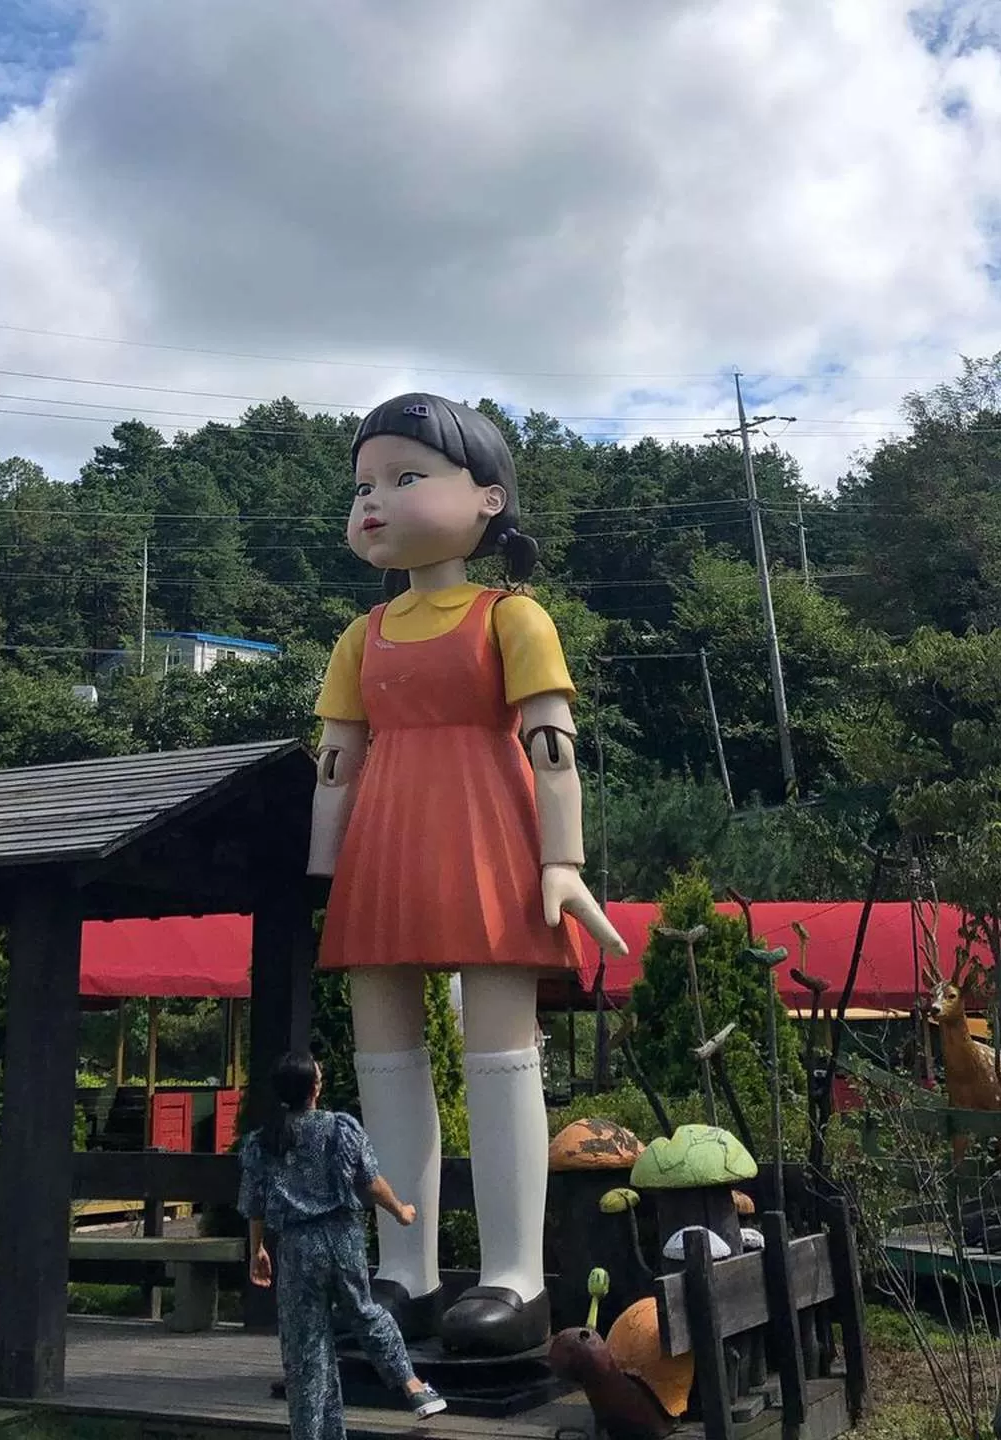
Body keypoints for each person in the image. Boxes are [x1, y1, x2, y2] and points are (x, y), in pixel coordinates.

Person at [308, 393, 627, 1356]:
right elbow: (336, 765)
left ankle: (514, 1278)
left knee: (499, 1050)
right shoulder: (361, 635)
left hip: (490, 839)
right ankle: (403, 1269)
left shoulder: (513, 618)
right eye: (364, 484)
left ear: (489, 498)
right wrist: (321, 876)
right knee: (383, 1055)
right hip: (383, 849)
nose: (374, 500)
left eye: (405, 477)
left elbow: (553, 748)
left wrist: (562, 861)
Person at [238, 1052, 446, 1440]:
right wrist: (400, 1210)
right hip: (341, 1236)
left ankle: (310, 1433)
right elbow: (371, 1181)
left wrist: (258, 1250)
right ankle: (412, 1384)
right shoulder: (339, 1128)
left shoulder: (264, 1141)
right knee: (365, 1312)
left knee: (306, 1348)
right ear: (315, 1088)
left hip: (297, 1245)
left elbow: (254, 1203)